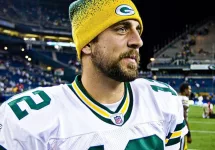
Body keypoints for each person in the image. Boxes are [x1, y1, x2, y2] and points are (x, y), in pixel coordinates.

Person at [0, 0, 188, 149]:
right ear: (88, 44)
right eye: (122, 29)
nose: (137, 41)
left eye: (137, 30)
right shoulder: (27, 119)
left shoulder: (163, 101)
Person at [178, 83, 192, 150]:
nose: (190, 91)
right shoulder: (184, 99)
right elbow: (184, 117)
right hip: (181, 129)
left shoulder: (177, 97)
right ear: (185, 90)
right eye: (189, 89)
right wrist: (189, 134)